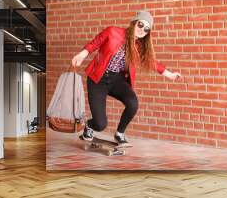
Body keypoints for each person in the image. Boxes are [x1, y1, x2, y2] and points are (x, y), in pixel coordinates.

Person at [72, 10, 182, 146]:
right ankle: (89, 126)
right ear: (134, 22)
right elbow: (96, 42)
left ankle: (119, 133)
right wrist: (83, 54)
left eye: (147, 29)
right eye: (141, 25)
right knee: (100, 124)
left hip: (116, 80)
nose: (142, 30)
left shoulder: (139, 47)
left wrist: (170, 74)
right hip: (97, 79)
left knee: (133, 103)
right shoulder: (112, 31)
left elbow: (152, 62)